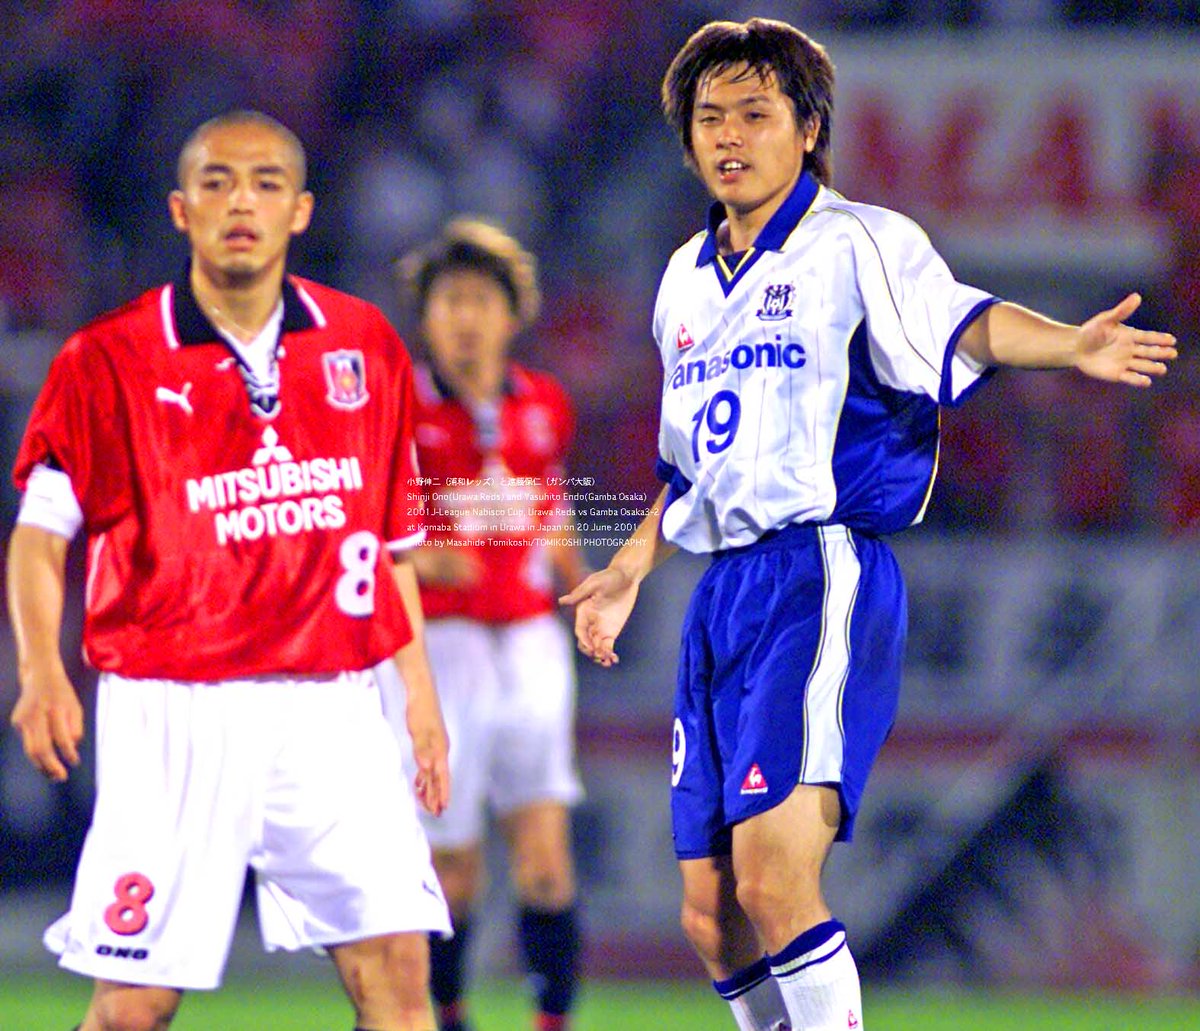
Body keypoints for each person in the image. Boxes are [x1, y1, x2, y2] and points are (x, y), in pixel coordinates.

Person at [560, 19, 1178, 1031]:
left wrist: (1069, 342)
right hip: (720, 595)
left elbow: (962, 322)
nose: (730, 135)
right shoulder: (681, 280)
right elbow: (690, 466)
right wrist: (630, 566)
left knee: (773, 879)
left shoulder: (857, 242)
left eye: (756, 114)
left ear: (807, 128)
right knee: (712, 913)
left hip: (819, 571)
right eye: (710, 116)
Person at [6, 109, 452, 1031]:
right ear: (179, 209)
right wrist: (44, 670)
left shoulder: (365, 343)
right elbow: (40, 537)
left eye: (264, 182)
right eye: (216, 182)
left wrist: (419, 696)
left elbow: (390, 541)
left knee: (402, 978)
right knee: (135, 1004)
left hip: (333, 706)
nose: (240, 201)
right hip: (175, 706)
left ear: (301, 209)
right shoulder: (106, 359)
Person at [382, 218, 587, 1031]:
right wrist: (419, 557)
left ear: (512, 314)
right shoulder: (399, 408)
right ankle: (451, 1015)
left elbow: (552, 506)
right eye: (448, 300)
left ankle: (552, 1021)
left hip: (531, 640)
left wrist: (585, 589)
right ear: (425, 315)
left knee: (544, 856)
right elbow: (357, 519)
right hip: (440, 646)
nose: (464, 317)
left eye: (480, 300)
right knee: (451, 865)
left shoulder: (544, 404)